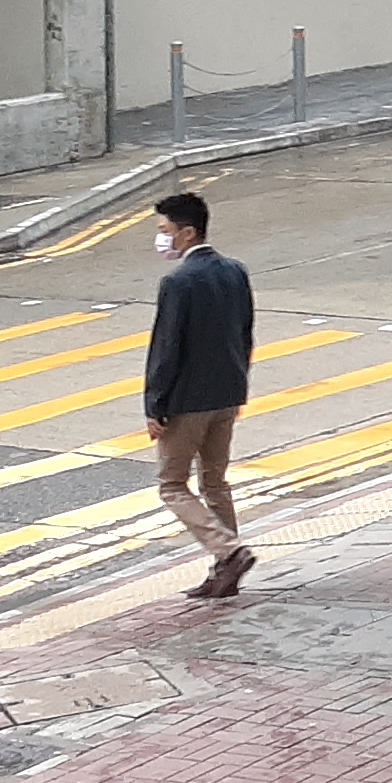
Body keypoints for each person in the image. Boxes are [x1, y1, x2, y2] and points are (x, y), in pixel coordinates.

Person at [144, 191, 257, 601]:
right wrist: (239, 383)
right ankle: (226, 573)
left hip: (187, 401)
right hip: (228, 392)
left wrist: (155, 404)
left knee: (172, 484)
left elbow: (166, 348)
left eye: (165, 231)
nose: (161, 239)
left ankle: (228, 551)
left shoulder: (178, 281)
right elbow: (245, 333)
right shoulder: (235, 271)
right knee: (215, 483)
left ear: (187, 232)